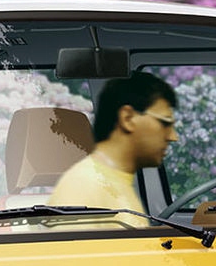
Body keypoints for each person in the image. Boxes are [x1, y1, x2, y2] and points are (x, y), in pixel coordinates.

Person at [48, 69, 177, 223]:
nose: (173, 137)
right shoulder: (84, 187)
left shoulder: (115, 183)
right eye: (164, 123)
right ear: (128, 118)